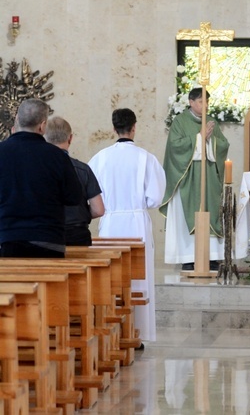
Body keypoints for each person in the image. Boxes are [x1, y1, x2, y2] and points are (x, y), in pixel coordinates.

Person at [89, 108, 166, 344]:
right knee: (138, 280)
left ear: (114, 129)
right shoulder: (146, 158)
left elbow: (90, 194)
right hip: (136, 224)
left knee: (110, 278)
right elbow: (155, 198)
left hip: (110, 222)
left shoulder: (99, 158)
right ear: (134, 128)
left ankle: (112, 335)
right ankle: (138, 334)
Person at [0, 99, 81, 258]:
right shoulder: (57, 156)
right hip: (48, 240)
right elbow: (74, 197)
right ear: (43, 126)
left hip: (7, 238)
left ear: (17, 119)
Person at [160, 88, 229, 271]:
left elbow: (223, 145)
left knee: (211, 213)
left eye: (207, 101)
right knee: (188, 215)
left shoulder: (212, 123)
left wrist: (210, 141)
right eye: (201, 101)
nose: (205, 105)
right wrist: (199, 138)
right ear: (191, 102)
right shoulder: (180, 122)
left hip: (208, 179)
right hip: (188, 178)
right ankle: (188, 256)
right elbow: (175, 147)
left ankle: (212, 257)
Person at [44, 116, 105, 246]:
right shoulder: (83, 169)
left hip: (48, 235)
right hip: (78, 235)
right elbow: (98, 209)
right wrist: (80, 212)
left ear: (45, 138)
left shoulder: (37, 168)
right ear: (70, 138)